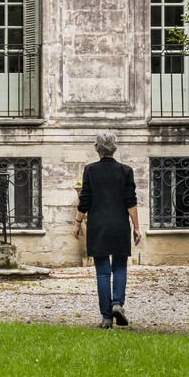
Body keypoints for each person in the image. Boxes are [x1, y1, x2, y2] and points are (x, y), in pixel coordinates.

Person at [75, 132, 141, 329]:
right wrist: (137, 228)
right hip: (120, 225)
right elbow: (131, 202)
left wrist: (77, 224)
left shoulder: (90, 171)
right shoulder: (126, 171)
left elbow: (84, 200)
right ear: (115, 148)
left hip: (98, 226)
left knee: (103, 273)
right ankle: (117, 304)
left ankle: (106, 318)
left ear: (97, 148)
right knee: (120, 267)